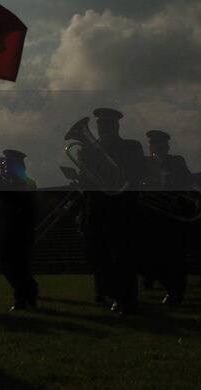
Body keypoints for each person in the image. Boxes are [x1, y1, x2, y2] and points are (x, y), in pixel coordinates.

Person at [83, 108, 145, 315]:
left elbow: (136, 173)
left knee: (122, 256)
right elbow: (87, 182)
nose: (103, 129)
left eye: (107, 125)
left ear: (116, 126)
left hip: (121, 208)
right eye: (100, 126)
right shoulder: (90, 151)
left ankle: (126, 301)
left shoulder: (131, 147)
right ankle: (109, 294)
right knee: (99, 255)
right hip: (97, 209)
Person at [0, 149, 39, 311]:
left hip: (20, 228)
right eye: (4, 164)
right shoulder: (8, 182)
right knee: (9, 265)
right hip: (6, 227)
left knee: (18, 265)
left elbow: (13, 201)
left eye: (7, 164)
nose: (4, 167)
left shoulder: (25, 183)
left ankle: (24, 297)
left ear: (17, 165)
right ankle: (28, 294)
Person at [143, 130, 190, 305]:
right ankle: (168, 286)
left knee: (176, 256)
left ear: (166, 147)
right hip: (154, 215)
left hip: (173, 214)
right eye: (152, 144)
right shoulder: (145, 163)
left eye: (159, 144)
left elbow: (187, 182)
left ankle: (176, 292)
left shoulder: (176, 161)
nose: (154, 147)